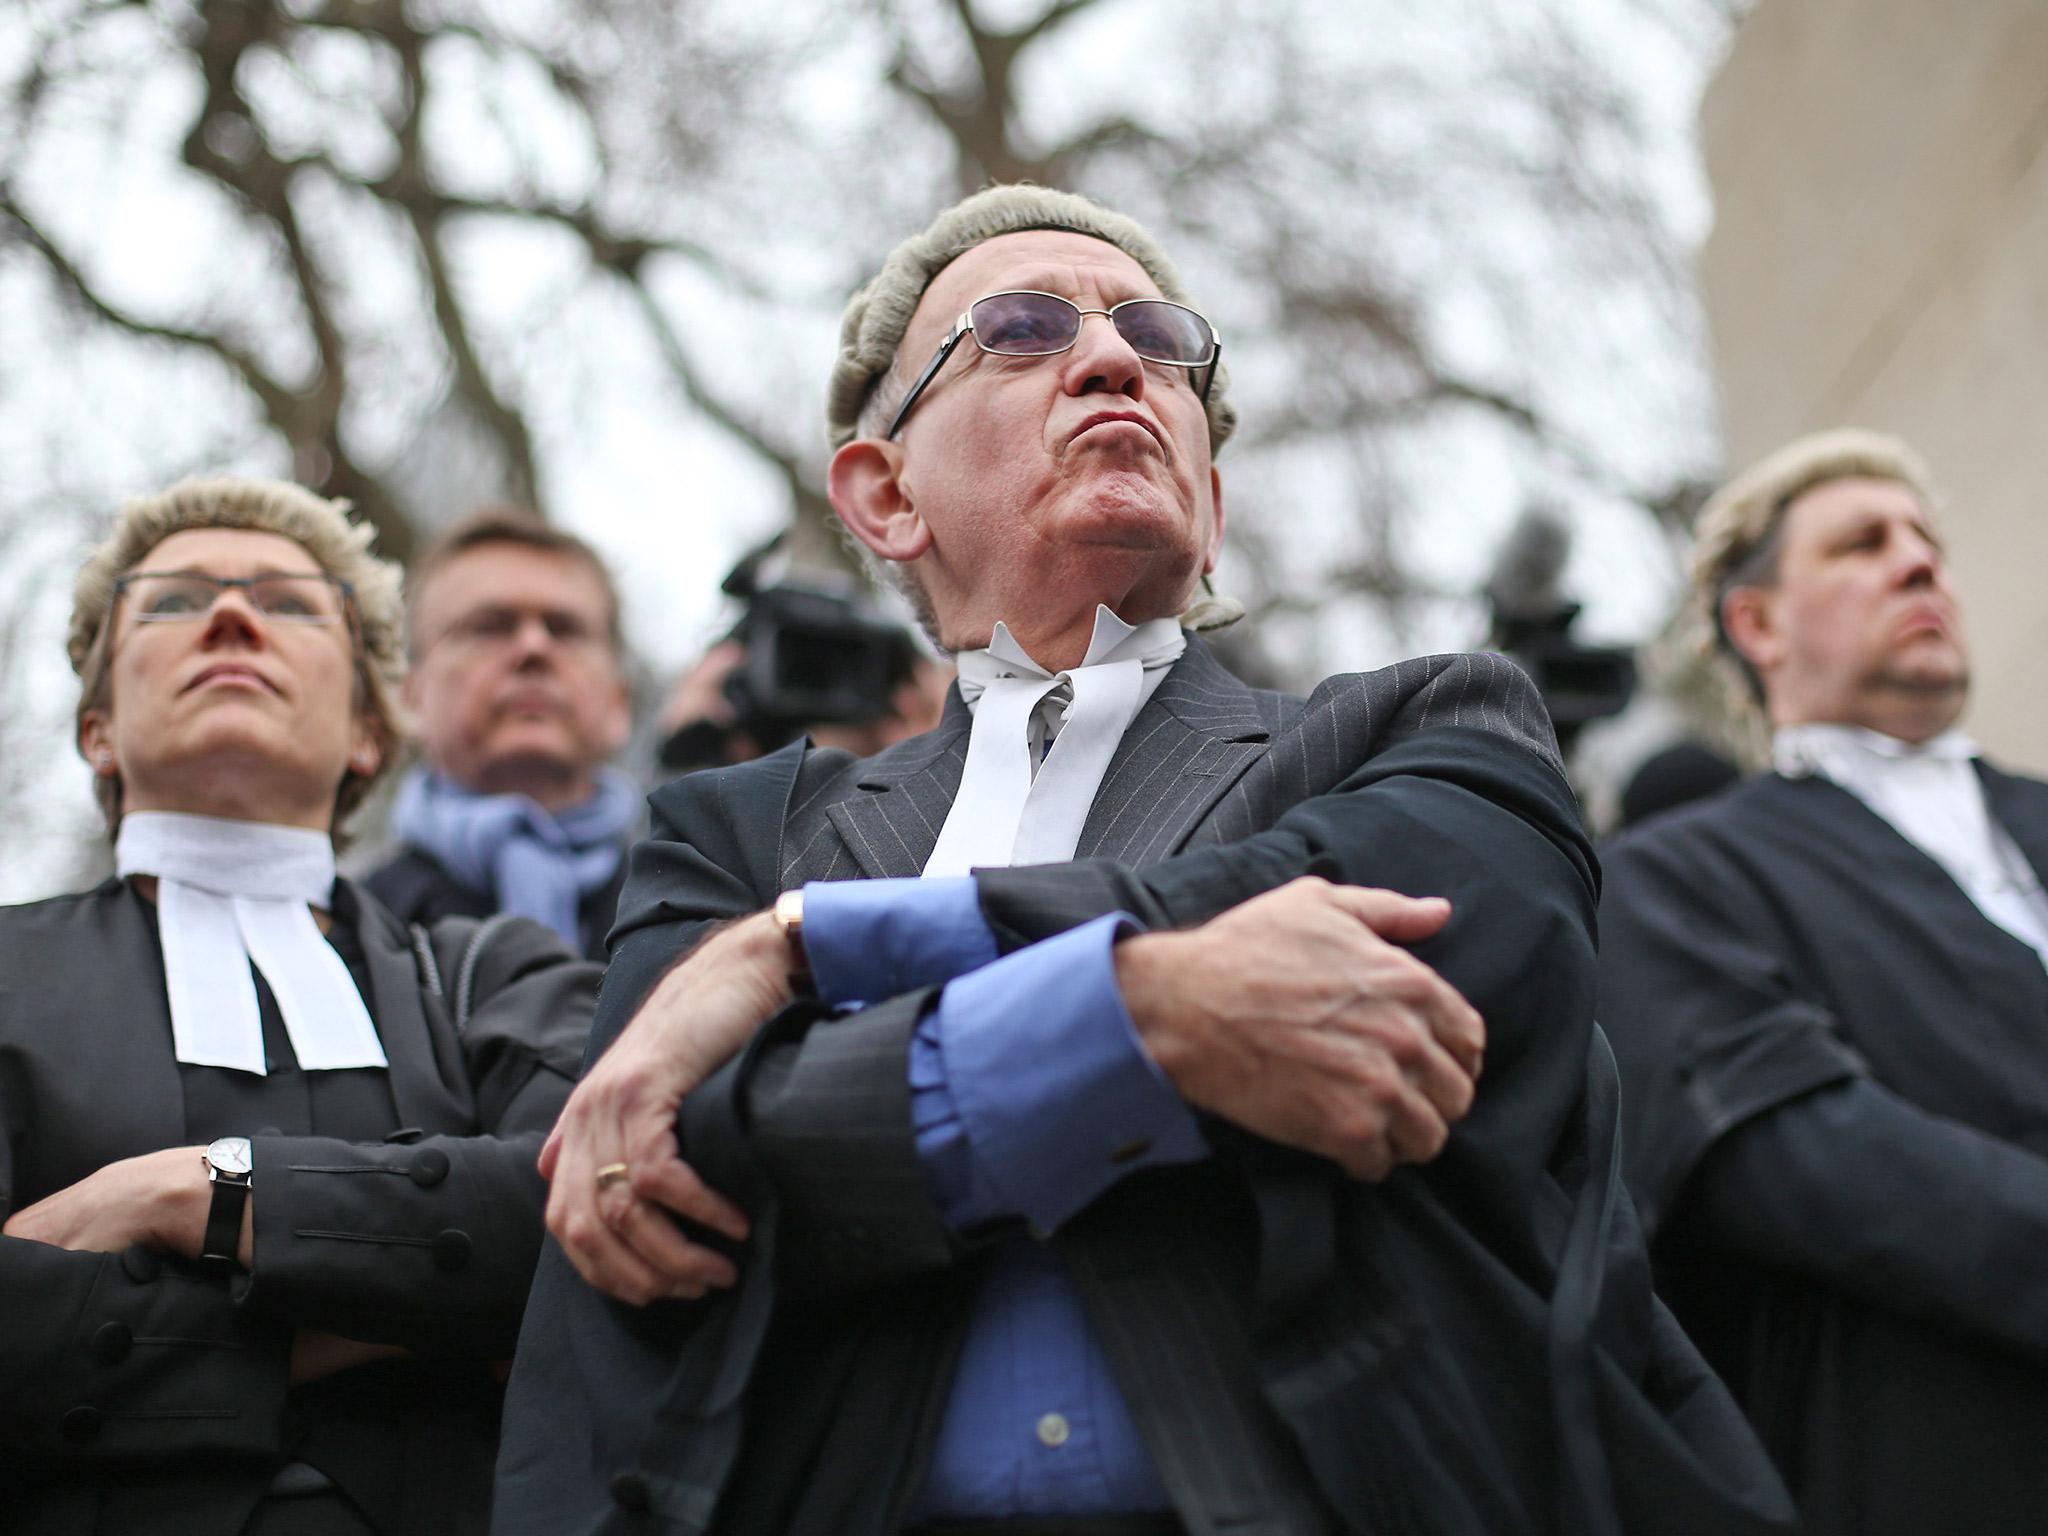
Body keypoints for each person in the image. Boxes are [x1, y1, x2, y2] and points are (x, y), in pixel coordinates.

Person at [496, 186, 1792, 1536]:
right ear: (884, 495)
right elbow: (663, 1171)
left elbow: (1426, 965)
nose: (1116, 359)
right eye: (1019, 328)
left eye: (1160, 339)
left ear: (1212, 503)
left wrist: (813, 950)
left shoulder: (1430, 724)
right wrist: (1150, 1014)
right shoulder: (734, 832)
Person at [0, 478, 599, 1536]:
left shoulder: (492, 970)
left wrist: (202, 1193)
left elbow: (583, 1201)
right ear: (97, 731)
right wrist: (391, 1321)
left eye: (287, 604)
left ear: (369, 730)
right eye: (176, 602)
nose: (232, 616)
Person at [1597, 429, 2048, 1536]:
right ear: (1755, 624)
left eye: (1924, 542)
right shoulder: (1669, 877)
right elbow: (1790, 1157)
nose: (1916, 563)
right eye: (1861, 543)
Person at [366, 507, 636, 960]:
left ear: (618, 703)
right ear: (410, 698)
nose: (533, 647)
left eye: (565, 630)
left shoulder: (707, 919)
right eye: (489, 628)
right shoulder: (351, 933)